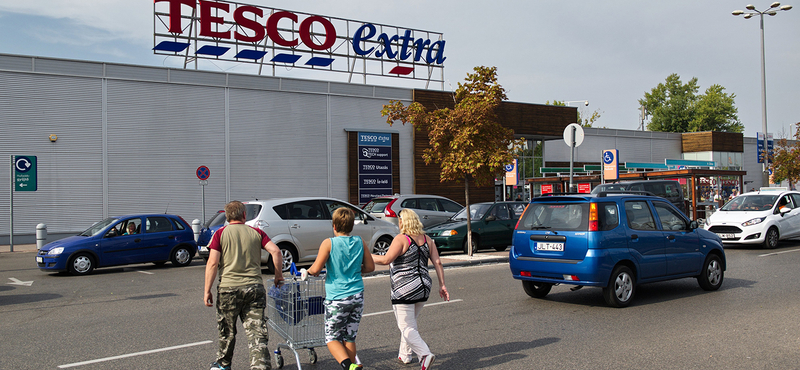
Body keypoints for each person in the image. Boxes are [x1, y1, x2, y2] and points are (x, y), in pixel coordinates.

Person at [204, 200, 284, 370]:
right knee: (257, 332)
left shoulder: (220, 234)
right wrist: (278, 276)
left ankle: (223, 364)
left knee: (227, 331)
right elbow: (276, 252)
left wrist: (207, 290)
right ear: (244, 215)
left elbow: (212, 263)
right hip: (254, 288)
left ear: (227, 216)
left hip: (228, 289)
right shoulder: (257, 232)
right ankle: (260, 365)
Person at [372, 208, 449, 370]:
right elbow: (438, 263)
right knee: (409, 323)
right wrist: (442, 285)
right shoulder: (427, 239)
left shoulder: (401, 239)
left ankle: (425, 354)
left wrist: (366, 255)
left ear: (403, 221)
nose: (398, 223)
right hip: (423, 287)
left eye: (399, 220)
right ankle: (405, 355)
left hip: (404, 288)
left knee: (405, 327)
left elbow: (386, 260)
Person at [307, 207, 375, 370]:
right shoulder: (360, 241)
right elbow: (370, 267)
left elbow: (316, 269)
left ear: (334, 226)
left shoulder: (328, 243)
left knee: (331, 338)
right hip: (357, 296)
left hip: (337, 298)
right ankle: (352, 366)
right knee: (349, 337)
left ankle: (349, 366)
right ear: (352, 226)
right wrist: (357, 271)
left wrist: (307, 271)